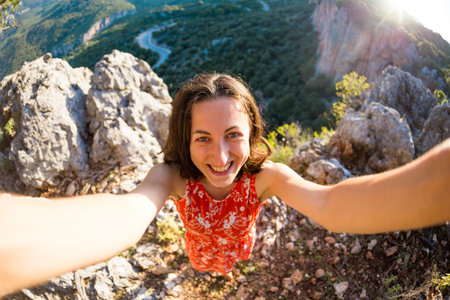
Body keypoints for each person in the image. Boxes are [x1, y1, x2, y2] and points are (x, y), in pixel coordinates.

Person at [0, 73, 449, 296]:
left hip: (238, 245)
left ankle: (223, 270)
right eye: (202, 138)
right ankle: (210, 271)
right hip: (199, 248)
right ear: (184, 139)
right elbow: (128, 212)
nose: (220, 158)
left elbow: (329, 203)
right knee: (206, 264)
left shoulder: (266, 178)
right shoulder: (173, 177)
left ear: (251, 133)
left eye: (233, 135)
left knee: (228, 263)